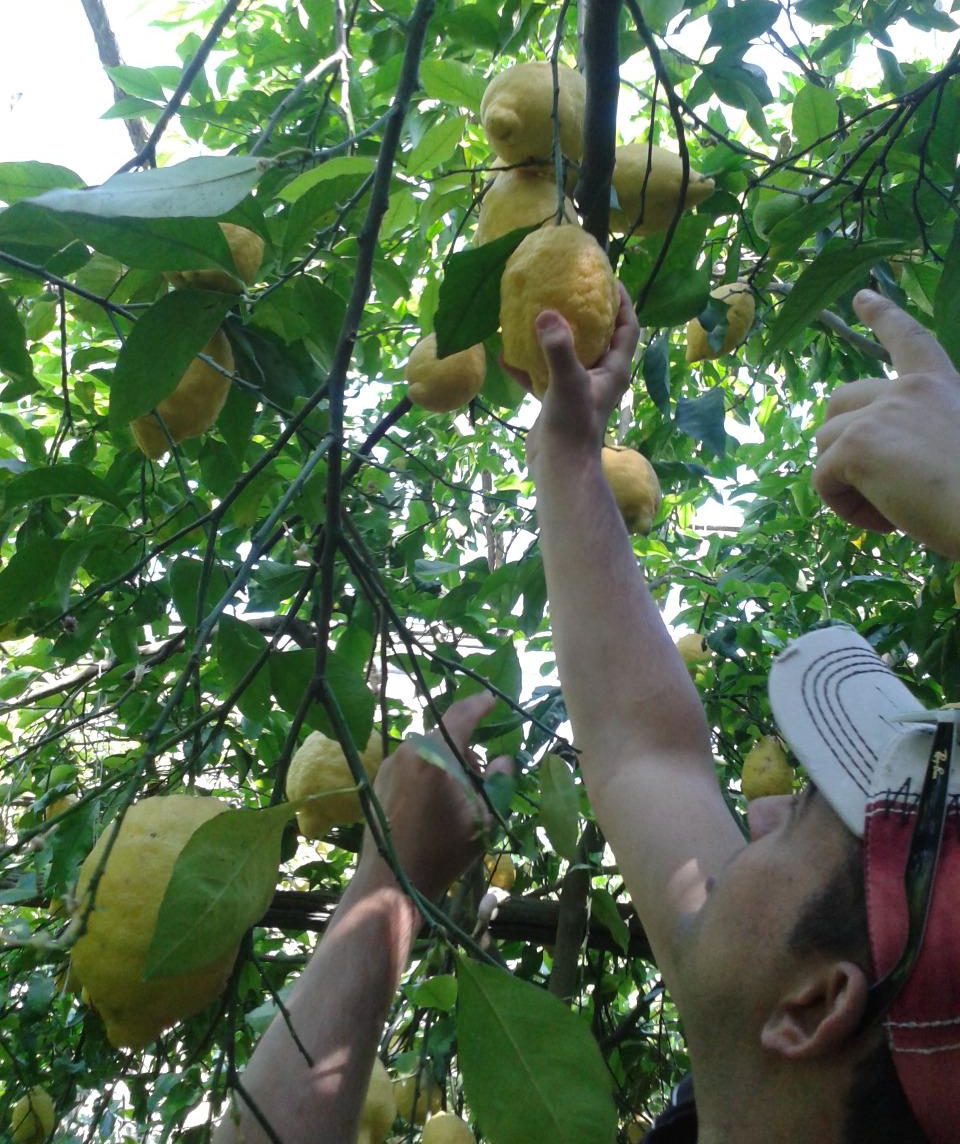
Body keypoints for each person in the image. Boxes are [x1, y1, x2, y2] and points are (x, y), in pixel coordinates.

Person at [218, 287, 960, 1144]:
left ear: (814, 1005)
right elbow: (646, 750)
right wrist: (568, 452)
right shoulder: (776, 1032)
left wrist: (384, 892)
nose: (755, 808)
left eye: (799, 823)